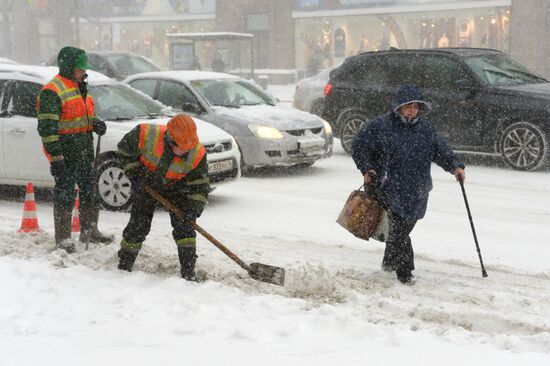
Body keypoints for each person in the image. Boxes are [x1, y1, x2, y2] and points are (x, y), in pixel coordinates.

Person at [351, 84, 465, 284]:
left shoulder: (426, 130)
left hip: (418, 188)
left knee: (403, 227)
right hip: (388, 186)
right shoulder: (381, 126)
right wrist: (366, 167)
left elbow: (441, 151)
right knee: (398, 229)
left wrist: (455, 167)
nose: (412, 111)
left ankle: (388, 264)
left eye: (416, 107)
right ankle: (405, 273)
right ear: (398, 107)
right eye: (408, 106)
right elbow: (359, 145)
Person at [37, 46, 113, 253]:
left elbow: (81, 116)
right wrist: (56, 158)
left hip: (84, 149)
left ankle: (90, 231)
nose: (83, 72)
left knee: (90, 191)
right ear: (69, 67)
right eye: (80, 69)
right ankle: (63, 239)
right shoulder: (52, 91)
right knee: (65, 194)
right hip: (65, 152)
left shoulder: (80, 87)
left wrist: (95, 122)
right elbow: (47, 129)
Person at [116, 115, 210, 280]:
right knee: (138, 225)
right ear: (170, 139)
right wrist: (134, 173)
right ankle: (125, 264)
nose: (186, 151)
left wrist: (193, 210)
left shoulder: (197, 153)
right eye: (182, 147)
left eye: (189, 146)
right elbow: (124, 151)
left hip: (177, 186)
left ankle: (188, 272)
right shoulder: (145, 134)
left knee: (185, 228)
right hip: (147, 182)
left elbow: (200, 185)